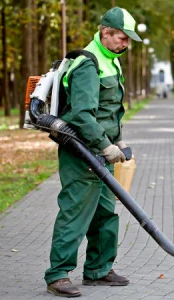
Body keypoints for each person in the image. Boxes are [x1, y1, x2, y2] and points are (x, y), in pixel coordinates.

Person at [44, 7, 142, 298]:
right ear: (105, 33)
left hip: (102, 152)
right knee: (76, 211)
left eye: (128, 40)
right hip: (82, 152)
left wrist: (119, 140)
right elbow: (82, 115)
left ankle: (98, 270)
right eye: (121, 38)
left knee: (104, 213)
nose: (125, 44)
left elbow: (109, 110)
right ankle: (58, 275)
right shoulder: (89, 64)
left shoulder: (112, 60)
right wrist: (105, 145)